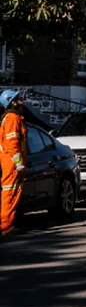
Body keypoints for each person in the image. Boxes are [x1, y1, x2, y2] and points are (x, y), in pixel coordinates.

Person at [1, 89, 28, 237]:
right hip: (12, 164)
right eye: (18, 99)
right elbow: (12, 143)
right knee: (10, 194)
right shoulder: (12, 118)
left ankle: (9, 225)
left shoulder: (13, 118)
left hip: (11, 163)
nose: (21, 101)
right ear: (12, 102)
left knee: (12, 194)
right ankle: (6, 227)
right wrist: (18, 163)